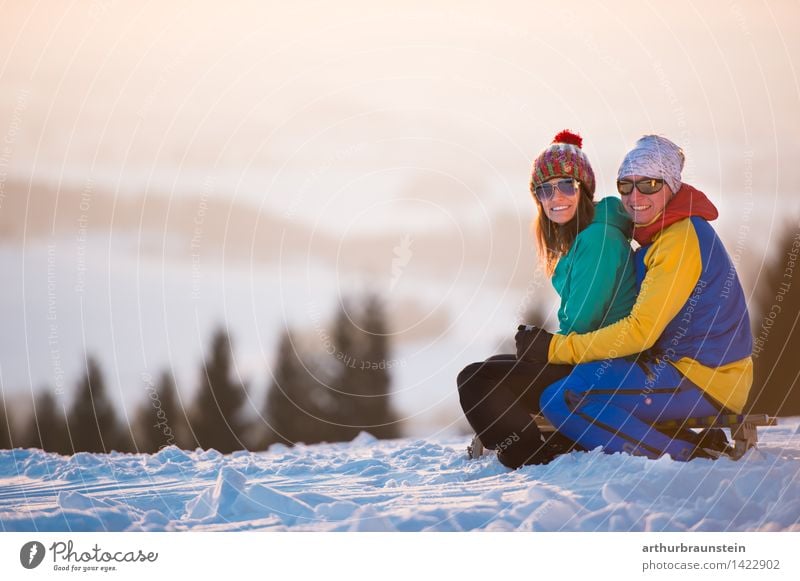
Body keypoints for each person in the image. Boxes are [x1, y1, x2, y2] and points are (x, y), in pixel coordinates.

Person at [517, 135, 753, 461]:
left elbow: (641, 330)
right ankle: (685, 443)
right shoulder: (660, 234)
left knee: (565, 398)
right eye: (625, 186)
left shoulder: (679, 240)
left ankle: (686, 456)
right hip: (681, 371)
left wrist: (554, 348)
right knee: (565, 392)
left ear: (671, 185)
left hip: (704, 380)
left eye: (649, 184)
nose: (635, 196)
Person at [457, 130, 637, 469]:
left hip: (604, 368)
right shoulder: (586, 237)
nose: (556, 196)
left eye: (566, 185)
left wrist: (544, 346)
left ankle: (531, 456)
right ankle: (546, 444)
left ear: (583, 189)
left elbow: (582, 322)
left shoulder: (597, 241)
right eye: (545, 189)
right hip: (590, 359)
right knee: (489, 370)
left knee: (476, 380)